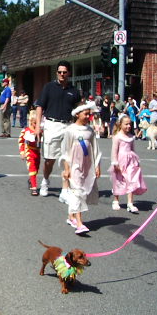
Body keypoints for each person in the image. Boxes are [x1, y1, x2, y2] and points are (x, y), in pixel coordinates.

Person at [34, 60, 81, 197]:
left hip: (68, 126)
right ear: (56, 73)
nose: (62, 74)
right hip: (51, 125)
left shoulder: (74, 91)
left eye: (64, 72)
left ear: (69, 73)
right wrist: (38, 127)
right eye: (59, 72)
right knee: (50, 159)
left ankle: (65, 188)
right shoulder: (49, 87)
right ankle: (45, 180)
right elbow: (39, 107)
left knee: (68, 158)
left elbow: (79, 110)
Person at [60, 101, 101, 235]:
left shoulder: (89, 131)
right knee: (77, 191)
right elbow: (65, 151)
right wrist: (66, 168)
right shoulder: (70, 130)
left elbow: (95, 149)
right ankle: (79, 223)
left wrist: (97, 165)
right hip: (75, 165)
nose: (88, 116)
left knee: (82, 189)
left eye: (89, 114)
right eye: (86, 114)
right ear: (77, 114)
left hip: (87, 165)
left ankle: (71, 216)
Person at [109, 114, 147, 213]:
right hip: (121, 161)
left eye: (130, 124)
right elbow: (114, 151)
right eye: (126, 124)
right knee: (119, 180)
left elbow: (133, 149)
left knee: (131, 179)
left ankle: (130, 203)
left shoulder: (131, 137)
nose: (128, 126)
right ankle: (116, 200)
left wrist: (137, 161)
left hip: (131, 160)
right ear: (120, 124)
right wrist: (115, 162)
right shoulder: (117, 137)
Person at [18, 112, 41, 196]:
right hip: (29, 151)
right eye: (35, 123)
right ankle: (34, 188)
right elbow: (21, 141)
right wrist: (22, 152)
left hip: (37, 152)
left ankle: (31, 180)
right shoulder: (26, 130)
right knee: (32, 168)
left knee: (36, 168)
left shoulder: (40, 130)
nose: (36, 125)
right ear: (31, 122)